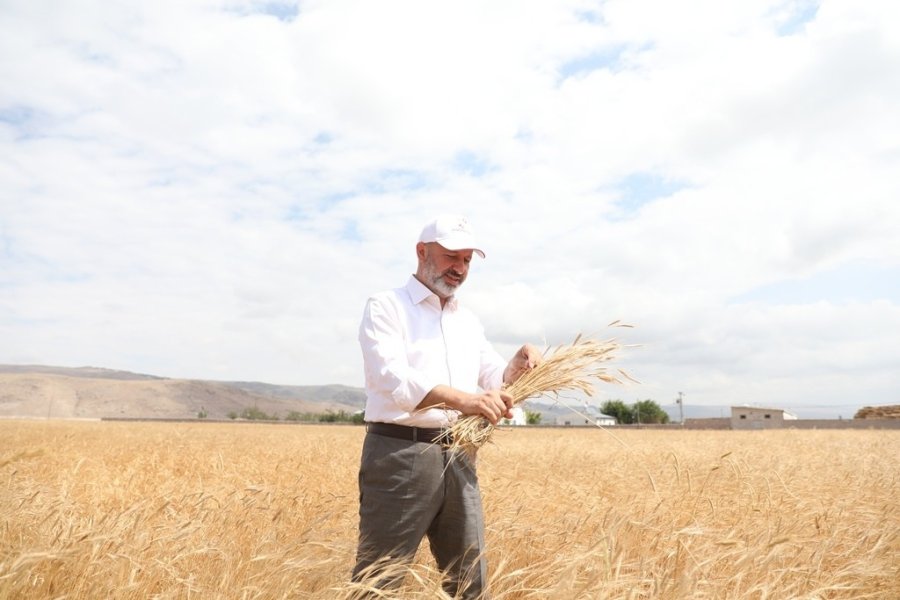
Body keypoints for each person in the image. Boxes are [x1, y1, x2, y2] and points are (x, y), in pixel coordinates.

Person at [351, 214, 542, 599]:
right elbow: (394, 379)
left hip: (459, 454)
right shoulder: (386, 307)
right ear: (422, 252)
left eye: (467, 260)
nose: (459, 268)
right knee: (378, 582)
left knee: (470, 580)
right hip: (402, 453)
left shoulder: (466, 321)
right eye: (451, 256)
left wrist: (517, 367)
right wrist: (466, 400)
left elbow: (494, 377)